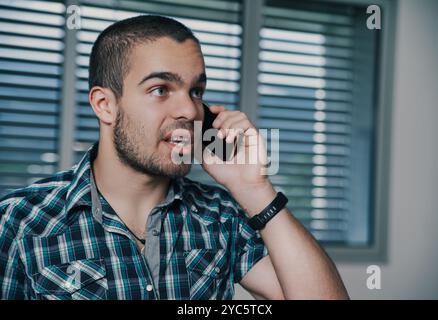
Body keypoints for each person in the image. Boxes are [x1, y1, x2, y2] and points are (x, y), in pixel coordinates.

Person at [0, 15, 348, 300]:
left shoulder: (221, 217)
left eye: (196, 91)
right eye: (160, 89)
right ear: (105, 105)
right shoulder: (19, 223)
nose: (188, 109)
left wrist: (256, 189)